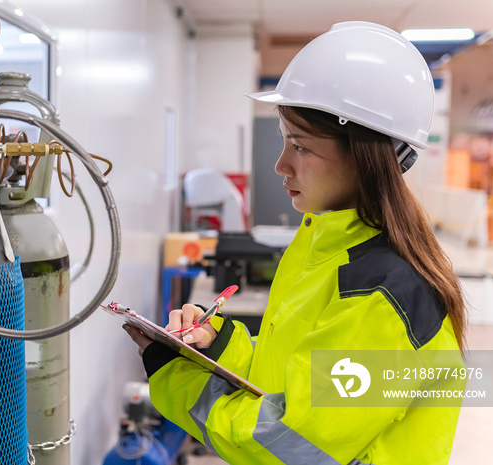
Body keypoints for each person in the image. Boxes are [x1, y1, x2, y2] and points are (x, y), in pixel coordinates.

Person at [124, 21, 467, 465]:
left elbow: (289, 444)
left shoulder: (385, 296)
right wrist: (220, 344)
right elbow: (288, 378)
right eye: (286, 142)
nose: (281, 165)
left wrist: (174, 377)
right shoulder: (321, 248)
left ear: (365, 155)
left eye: (300, 147)